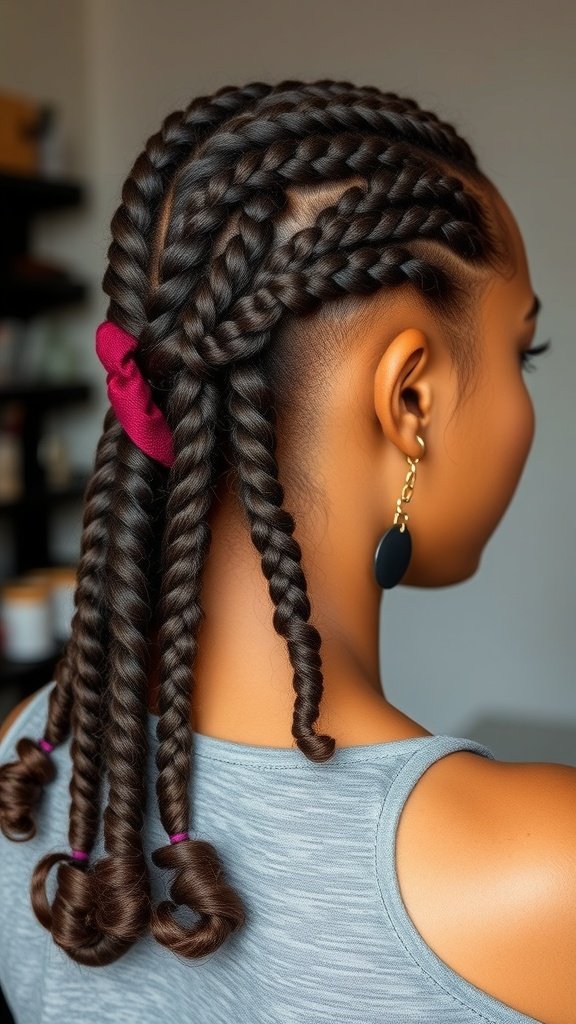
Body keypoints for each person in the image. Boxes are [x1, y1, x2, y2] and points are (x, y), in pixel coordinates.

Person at [0, 78, 573, 1024]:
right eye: (525, 350)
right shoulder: (547, 874)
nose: (526, 398)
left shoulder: (35, 760)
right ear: (412, 398)